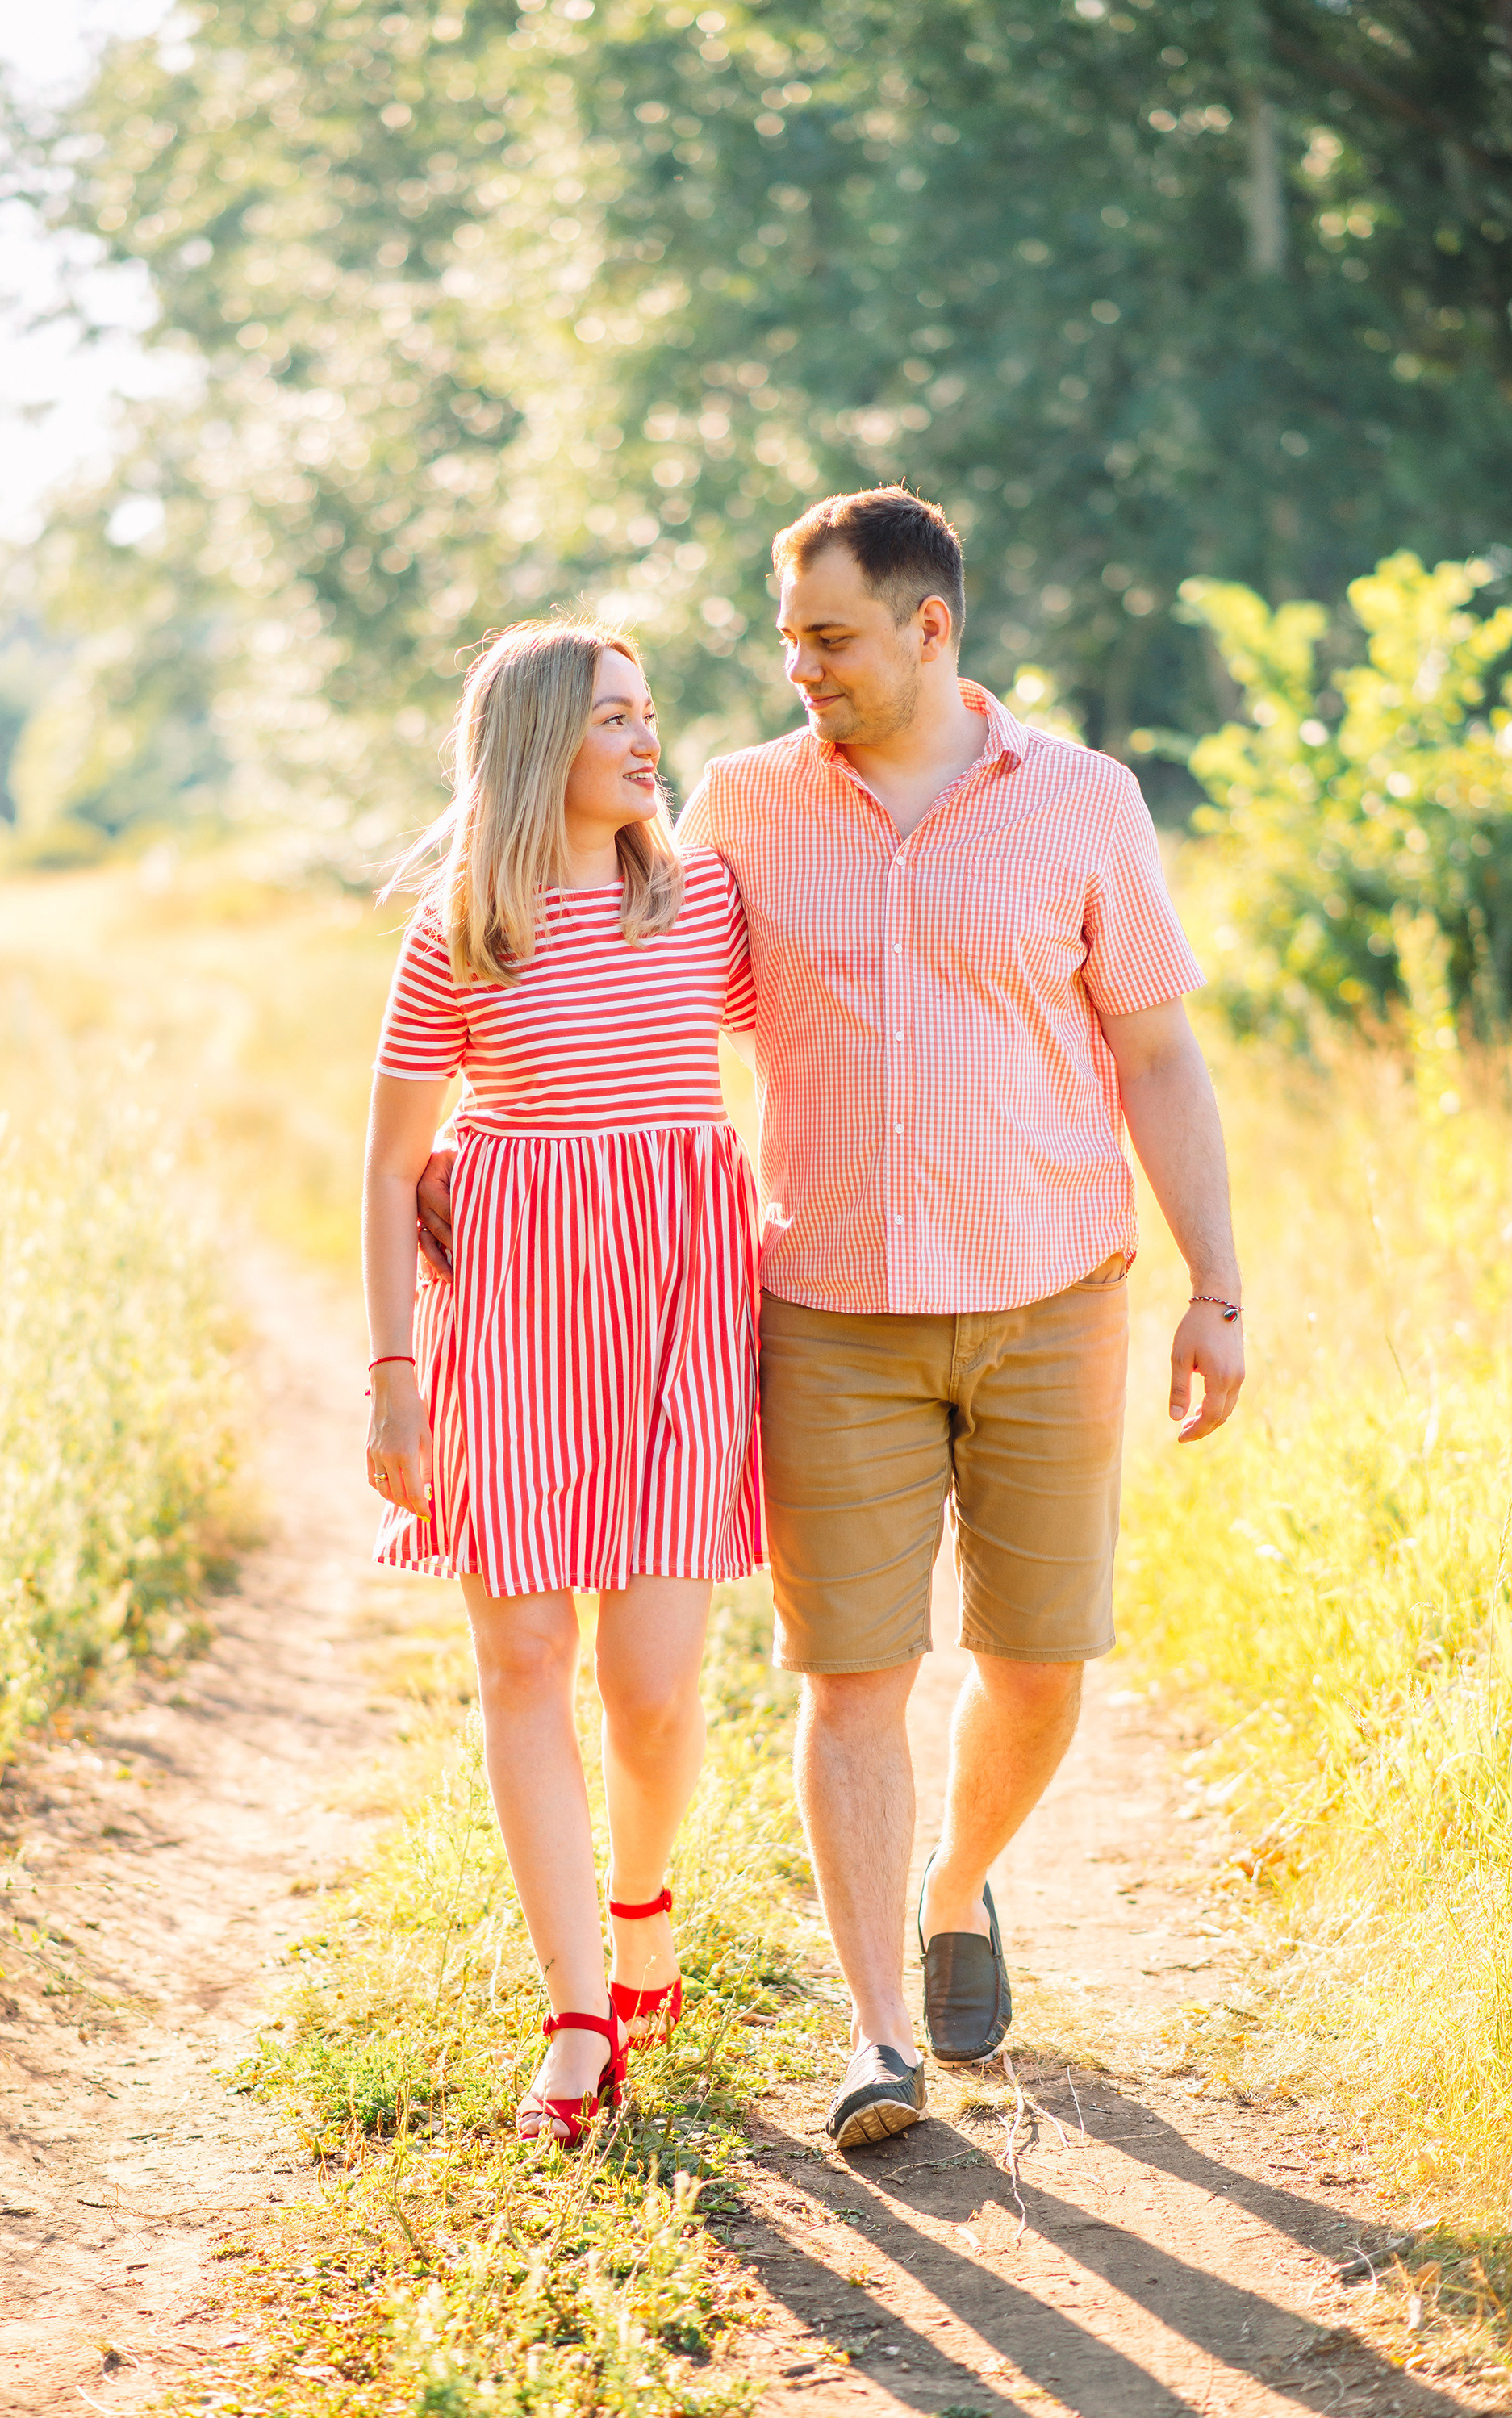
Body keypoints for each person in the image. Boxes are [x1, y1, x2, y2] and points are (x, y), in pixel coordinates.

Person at [419, 489, 1244, 2152]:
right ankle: (875, 2032)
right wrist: (477, 1129)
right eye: (787, 636)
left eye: (828, 637)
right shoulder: (743, 809)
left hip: (1052, 1293)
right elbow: (616, 977)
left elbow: (1156, 1051)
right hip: (827, 1310)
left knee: (1036, 1663)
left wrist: (1213, 1286)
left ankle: (954, 1884)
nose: (796, 667)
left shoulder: (1083, 802)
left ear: (928, 628)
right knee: (849, 1677)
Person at [361, 618, 761, 2148]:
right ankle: (578, 2013)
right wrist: (395, 1370)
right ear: (540, 741)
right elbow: (395, 1165)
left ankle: (643, 1903)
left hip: (680, 1313)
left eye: (652, 713)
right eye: (616, 716)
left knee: (654, 1682)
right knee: (525, 1661)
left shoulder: (702, 895)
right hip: (520, 1313)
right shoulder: (461, 927)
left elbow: (816, 1032)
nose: (650, 740)